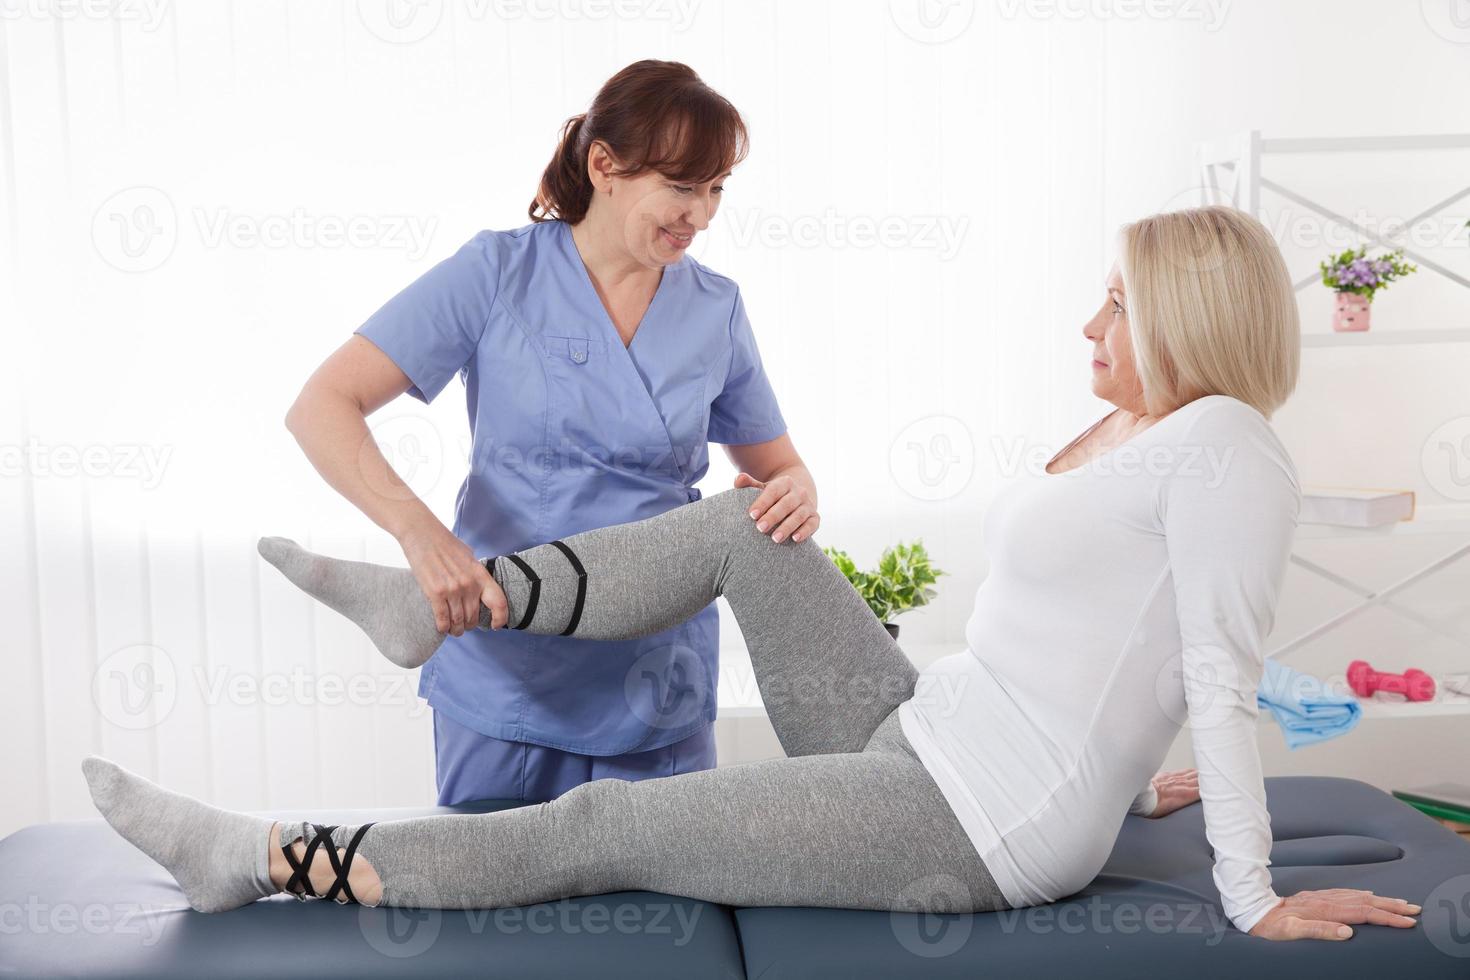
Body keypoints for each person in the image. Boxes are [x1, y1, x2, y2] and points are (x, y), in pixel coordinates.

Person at [84, 206, 1420, 942]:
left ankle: (259, 857)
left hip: (979, 819)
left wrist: (1247, 897)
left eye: (1115, 303)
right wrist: (1132, 768)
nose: (1089, 322)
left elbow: (1209, 663)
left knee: (613, 828)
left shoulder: (1226, 449)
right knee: (747, 522)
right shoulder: (1144, 429)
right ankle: (447, 602)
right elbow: (1105, 632)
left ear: (1188, 313)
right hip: (924, 722)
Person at [282, 60, 817, 805]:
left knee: (665, 920)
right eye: (683, 186)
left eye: (718, 188)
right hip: (511, 673)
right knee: (494, 908)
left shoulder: (715, 308)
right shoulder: (498, 274)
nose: (702, 214)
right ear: (606, 166)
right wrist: (421, 536)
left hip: (657, 680)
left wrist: (794, 494)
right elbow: (322, 405)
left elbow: (780, 466)